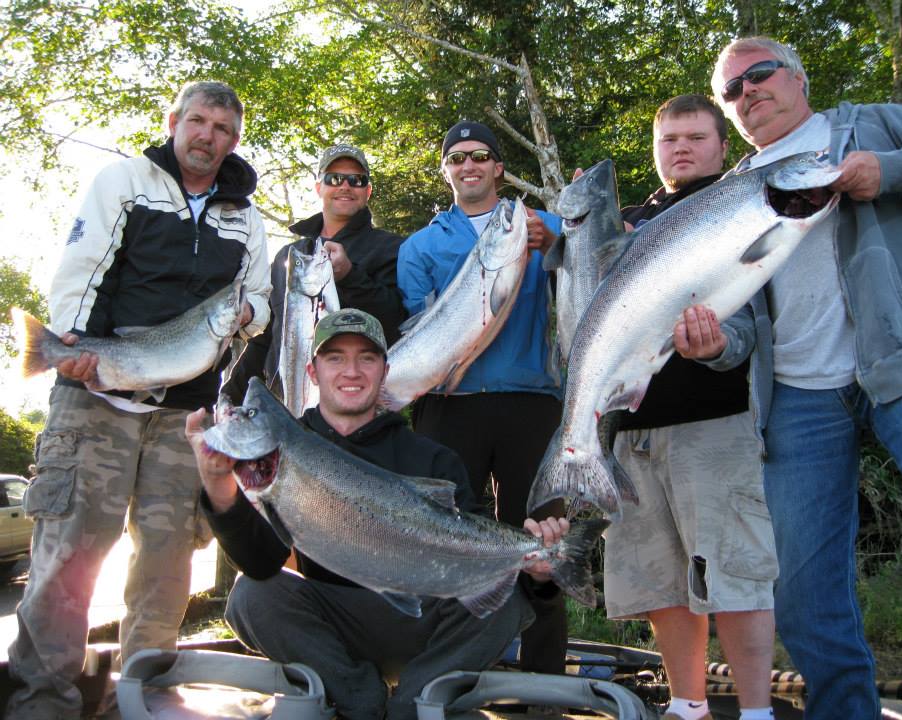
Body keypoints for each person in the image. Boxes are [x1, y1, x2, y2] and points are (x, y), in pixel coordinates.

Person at [676, 36, 902, 720]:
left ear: (797, 76)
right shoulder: (729, 194)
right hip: (797, 400)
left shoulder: (877, 125)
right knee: (802, 594)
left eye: (759, 74)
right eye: (731, 90)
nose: (748, 92)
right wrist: (713, 345)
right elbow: (739, 320)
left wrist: (888, 172)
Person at [6, 81, 271, 720]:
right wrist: (70, 347)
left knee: (168, 564)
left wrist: (245, 312)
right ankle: (44, 703)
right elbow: (78, 274)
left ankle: (145, 696)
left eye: (224, 130)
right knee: (68, 558)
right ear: (174, 121)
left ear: (234, 141)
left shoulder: (248, 217)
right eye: (199, 122)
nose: (209, 137)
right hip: (95, 400)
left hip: (187, 416)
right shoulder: (124, 181)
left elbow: (260, 303)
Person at [187, 309, 570, 720]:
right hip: (333, 623)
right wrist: (217, 483)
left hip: (424, 621)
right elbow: (259, 563)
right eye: (335, 357)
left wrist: (539, 570)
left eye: (366, 358)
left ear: (384, 371)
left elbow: (481, 542)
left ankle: (413, 705)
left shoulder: (432, 457)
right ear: (313, 372)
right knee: (250, 594)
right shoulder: (286, 452)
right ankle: (359, 699)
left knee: (506, 602)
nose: (351, 370)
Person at [604, 94, 777, 720]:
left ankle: (756, 711)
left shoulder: (745, 205)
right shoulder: (625, 222)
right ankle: (687, 705)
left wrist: (715, 347)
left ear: (722, 146)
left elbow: (750, 328)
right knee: (660, 581)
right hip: (632, 432)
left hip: (716, 425)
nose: (681, 148)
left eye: (696, 138)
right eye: (669, 139)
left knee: (734, 574)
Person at [396, 121, 568, 674]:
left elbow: (597, 263)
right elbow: (421, 331)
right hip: (448, 407)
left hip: (532, 404)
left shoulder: (541, 225)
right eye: (456, 158)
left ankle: (545, 682)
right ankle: (444, 674)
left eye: (480, 156)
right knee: (441, 540)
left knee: (544, 537)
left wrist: (559, 243)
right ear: (446, 170)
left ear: (498, 167)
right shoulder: (420, 247)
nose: (468, 165)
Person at [222, 143, 406, 404]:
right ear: (319, 187)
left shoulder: (393, 248)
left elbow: (396, 323)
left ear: (368, 191)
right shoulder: (289, 256)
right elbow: (268, 333)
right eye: (334, 178)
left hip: (359, 405)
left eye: (356, 180)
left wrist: (350, 277)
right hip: (285, 403)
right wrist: (231, 392)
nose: (345, 186)